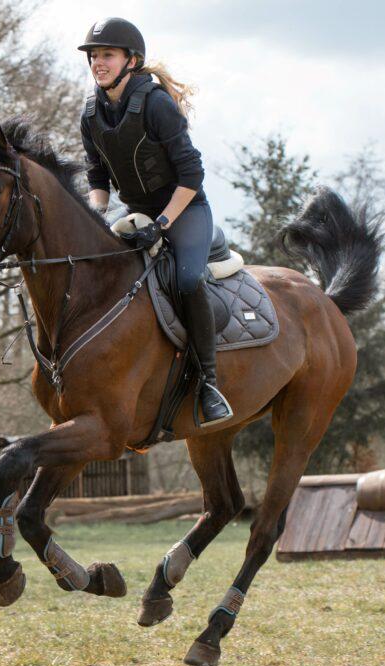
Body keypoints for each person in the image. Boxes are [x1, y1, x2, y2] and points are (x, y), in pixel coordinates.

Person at [78, 17, 233, 427]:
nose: (98, 63)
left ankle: (210, 385)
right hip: (136, 211)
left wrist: (162, 223)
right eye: (93, 56)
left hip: (184, 209)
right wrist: (98, 214)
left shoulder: (157, 103)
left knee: (186, 280)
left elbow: (192, 175)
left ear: (132, 60)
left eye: (106, 55)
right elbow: (97, 176)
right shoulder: (91, 112)